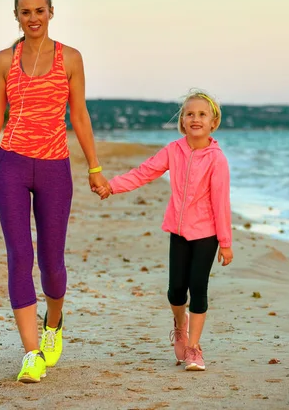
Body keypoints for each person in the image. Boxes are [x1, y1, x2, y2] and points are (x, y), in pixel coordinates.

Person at [0, 0, 108, 383]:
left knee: (51, 264)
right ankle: (32, 353)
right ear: (16, 16)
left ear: (51, 12)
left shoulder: (71, 59)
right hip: (11, 164)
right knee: (19, 257)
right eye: (25, 11)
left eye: (39, 10)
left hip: (54, 167)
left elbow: (79, 116)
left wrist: (95, 167)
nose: (33, 18)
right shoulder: (2, 60)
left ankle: (54, 322)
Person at [96, 90, 233, 371]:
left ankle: (194, 348)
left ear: (213, 123)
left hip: (206, 234)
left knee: (199, 288)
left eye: (202, 114)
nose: (195, 118)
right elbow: (144, 172)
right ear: (182, 121)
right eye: (189, 114)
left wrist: (225, 242)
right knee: (175, 292)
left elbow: (221, 202)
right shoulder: (174, 150)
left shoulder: (217, 159)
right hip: (179, 231)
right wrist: (112, 185)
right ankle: (179, 326)